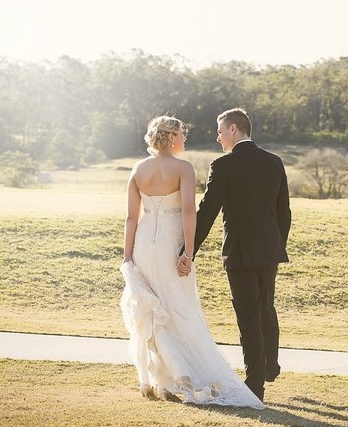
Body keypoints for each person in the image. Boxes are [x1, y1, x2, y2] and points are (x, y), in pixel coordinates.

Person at [119, 115, 264, 409]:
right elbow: (189, 211)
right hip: (172, 242)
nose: (185, 139)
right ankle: (181, 376)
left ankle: (163, 379)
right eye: (183, 134)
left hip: (144, 244)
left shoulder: (138, 169)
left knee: (154, 309)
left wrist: (127, 257)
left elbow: (131, 217)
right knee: (179, 309)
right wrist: (188, 252)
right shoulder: (183, 168)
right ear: (171, 137)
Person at [180, 108, 292, 402]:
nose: (217, 138)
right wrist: (277, 244)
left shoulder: (222, 166)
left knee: (248, 314)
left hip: (240, 252)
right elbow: (284, 212)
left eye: (219, 131)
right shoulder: (274, 162)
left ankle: (255, 383)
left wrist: (188, 250)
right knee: (266, 307)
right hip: (270, 250)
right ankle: (270, 365)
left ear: (233, 129)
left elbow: (207, 212)